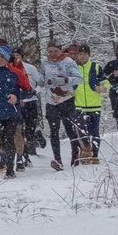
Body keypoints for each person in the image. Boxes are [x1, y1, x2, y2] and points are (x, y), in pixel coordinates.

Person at [0, 43, 33, 176]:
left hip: (12, 113)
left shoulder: (16, 73)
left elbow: (29, 91)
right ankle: (4, 160)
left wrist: (17, 96)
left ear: (4, 57)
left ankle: (10, 169)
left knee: (9, 139)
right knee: (0, 140)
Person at [40, 41, 81, 169]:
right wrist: (40, 81)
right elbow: (42, 78)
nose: (52, 54)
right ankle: (57, 160)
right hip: (51, 101)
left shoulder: (68, 62)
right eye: (50, 51)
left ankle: (75, 154)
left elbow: (79, 78)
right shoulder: (44, 62)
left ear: (61, 51)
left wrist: (66, 80)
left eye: (55, 51)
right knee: (54, 131)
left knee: (69, 129)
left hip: (66, 99)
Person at [70, 41, 106, 165]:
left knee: (94, 131)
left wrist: (102, 88)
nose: (82, 56)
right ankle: (86, 151)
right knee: (81, 131)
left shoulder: (96, 67)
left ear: (89, 55)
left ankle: (95, 155)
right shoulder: (74, 68)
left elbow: (106, 82)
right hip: (79, 106)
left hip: (94, 105)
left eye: (85, 54)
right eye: (80, 54)